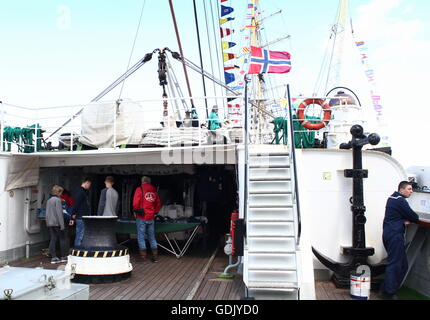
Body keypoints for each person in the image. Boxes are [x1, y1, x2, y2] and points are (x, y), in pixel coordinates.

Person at [380, 181, 420, 300]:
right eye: (409, 189)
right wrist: (404, 221)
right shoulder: (400, 200)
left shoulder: (391, 198)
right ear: (401, 190)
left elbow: (395, 215)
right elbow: (415, 217)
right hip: (395, 236)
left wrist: (402, 221)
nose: (411, 191)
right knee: (396, 264)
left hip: (388, 233)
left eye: (411, 189)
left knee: (402, 265)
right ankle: (388, 293)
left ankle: (385, 288)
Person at [132, 176, 162, 262]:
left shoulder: (139, 189)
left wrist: (135, 210)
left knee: (141, 237)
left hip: (141, 216)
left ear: (142, 181)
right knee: (152, 237)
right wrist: (154, 212)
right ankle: (155, 256)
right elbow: (158, 203)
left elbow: (135, 202)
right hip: (151, 217)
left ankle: (143, 257)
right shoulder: (154, 190)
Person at [46, 185, 67, 264]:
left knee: (53, 239)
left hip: (50, 223)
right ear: (58, 192)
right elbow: (59, 214)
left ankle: (53, 257)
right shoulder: (58, 200)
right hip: (57, 223)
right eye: (61, 192)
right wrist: (62, 225)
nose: (61, 194)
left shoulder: (49, 200)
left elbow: (47, 213)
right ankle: (63, 256)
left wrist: (48, 222)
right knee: (62, 239)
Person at [71, 177, 92, 247]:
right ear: (86, 183)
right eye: (89, 184)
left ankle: (79, 249)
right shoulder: (80, 192)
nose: (89, 186)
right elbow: (76, 203)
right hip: (81, 216)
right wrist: (73, 213)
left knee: (81, 234)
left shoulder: (82, 191)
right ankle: (78, 249)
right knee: (80, 234)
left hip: (82, 216)